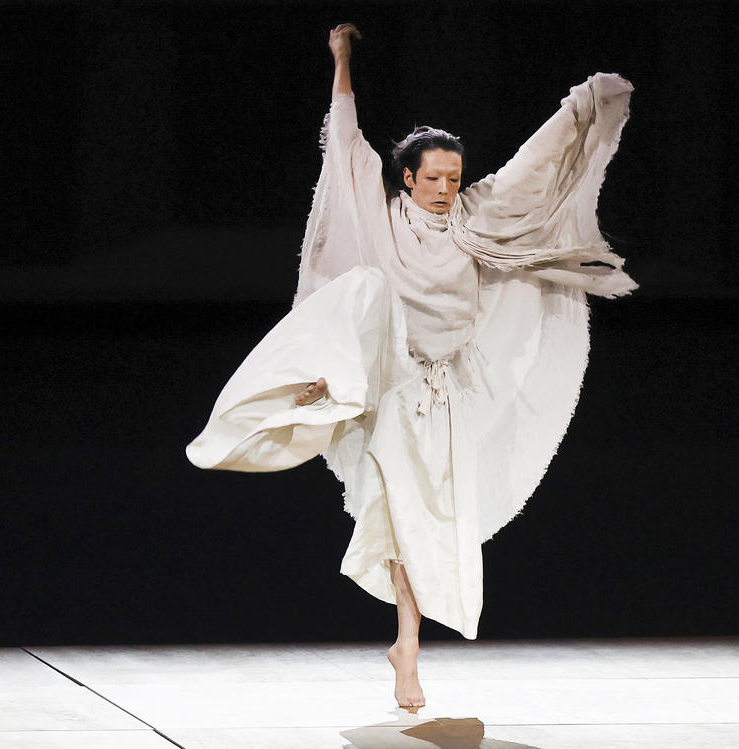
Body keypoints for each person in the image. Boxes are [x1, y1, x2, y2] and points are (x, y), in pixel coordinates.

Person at [186, 22, 637, 709]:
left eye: (454, 178)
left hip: (444, 389)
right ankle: (408, 649)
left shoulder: (474, 218)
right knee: (396, 510)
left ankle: (406, 643)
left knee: (432, 519)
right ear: (408, 177)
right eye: (434, 179)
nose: (445, 189)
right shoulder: (381, 212)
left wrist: (579, 108)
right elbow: (344, 142)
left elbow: (531, 168)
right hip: (388, 383)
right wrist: (341, 60)